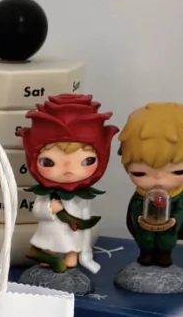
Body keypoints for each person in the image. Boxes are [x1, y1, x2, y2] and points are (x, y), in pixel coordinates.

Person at [19, 93, 118, 278]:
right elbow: (37, 210)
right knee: (48, 246)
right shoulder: (46, 193)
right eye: (48, 162)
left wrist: (85, 248)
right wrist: (49, 208)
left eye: (86, 161)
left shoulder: (82, 196)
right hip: (50, 229)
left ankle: (70, 258)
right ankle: (48, 257)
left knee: (71, 254)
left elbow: (85, 216)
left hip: (73, 232)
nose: (68, 169)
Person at [117, 103, 183, 268]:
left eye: (177, 172)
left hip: (168, 226)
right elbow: (135, 209)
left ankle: (164, 255)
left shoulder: (177, 196)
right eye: (140, 173)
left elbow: (181, 210)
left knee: (166, 240)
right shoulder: (141, 195)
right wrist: (139, 218)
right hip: (145, 225)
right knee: (145, 238)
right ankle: (146, 254)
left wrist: (174, 220)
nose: (159, 181)